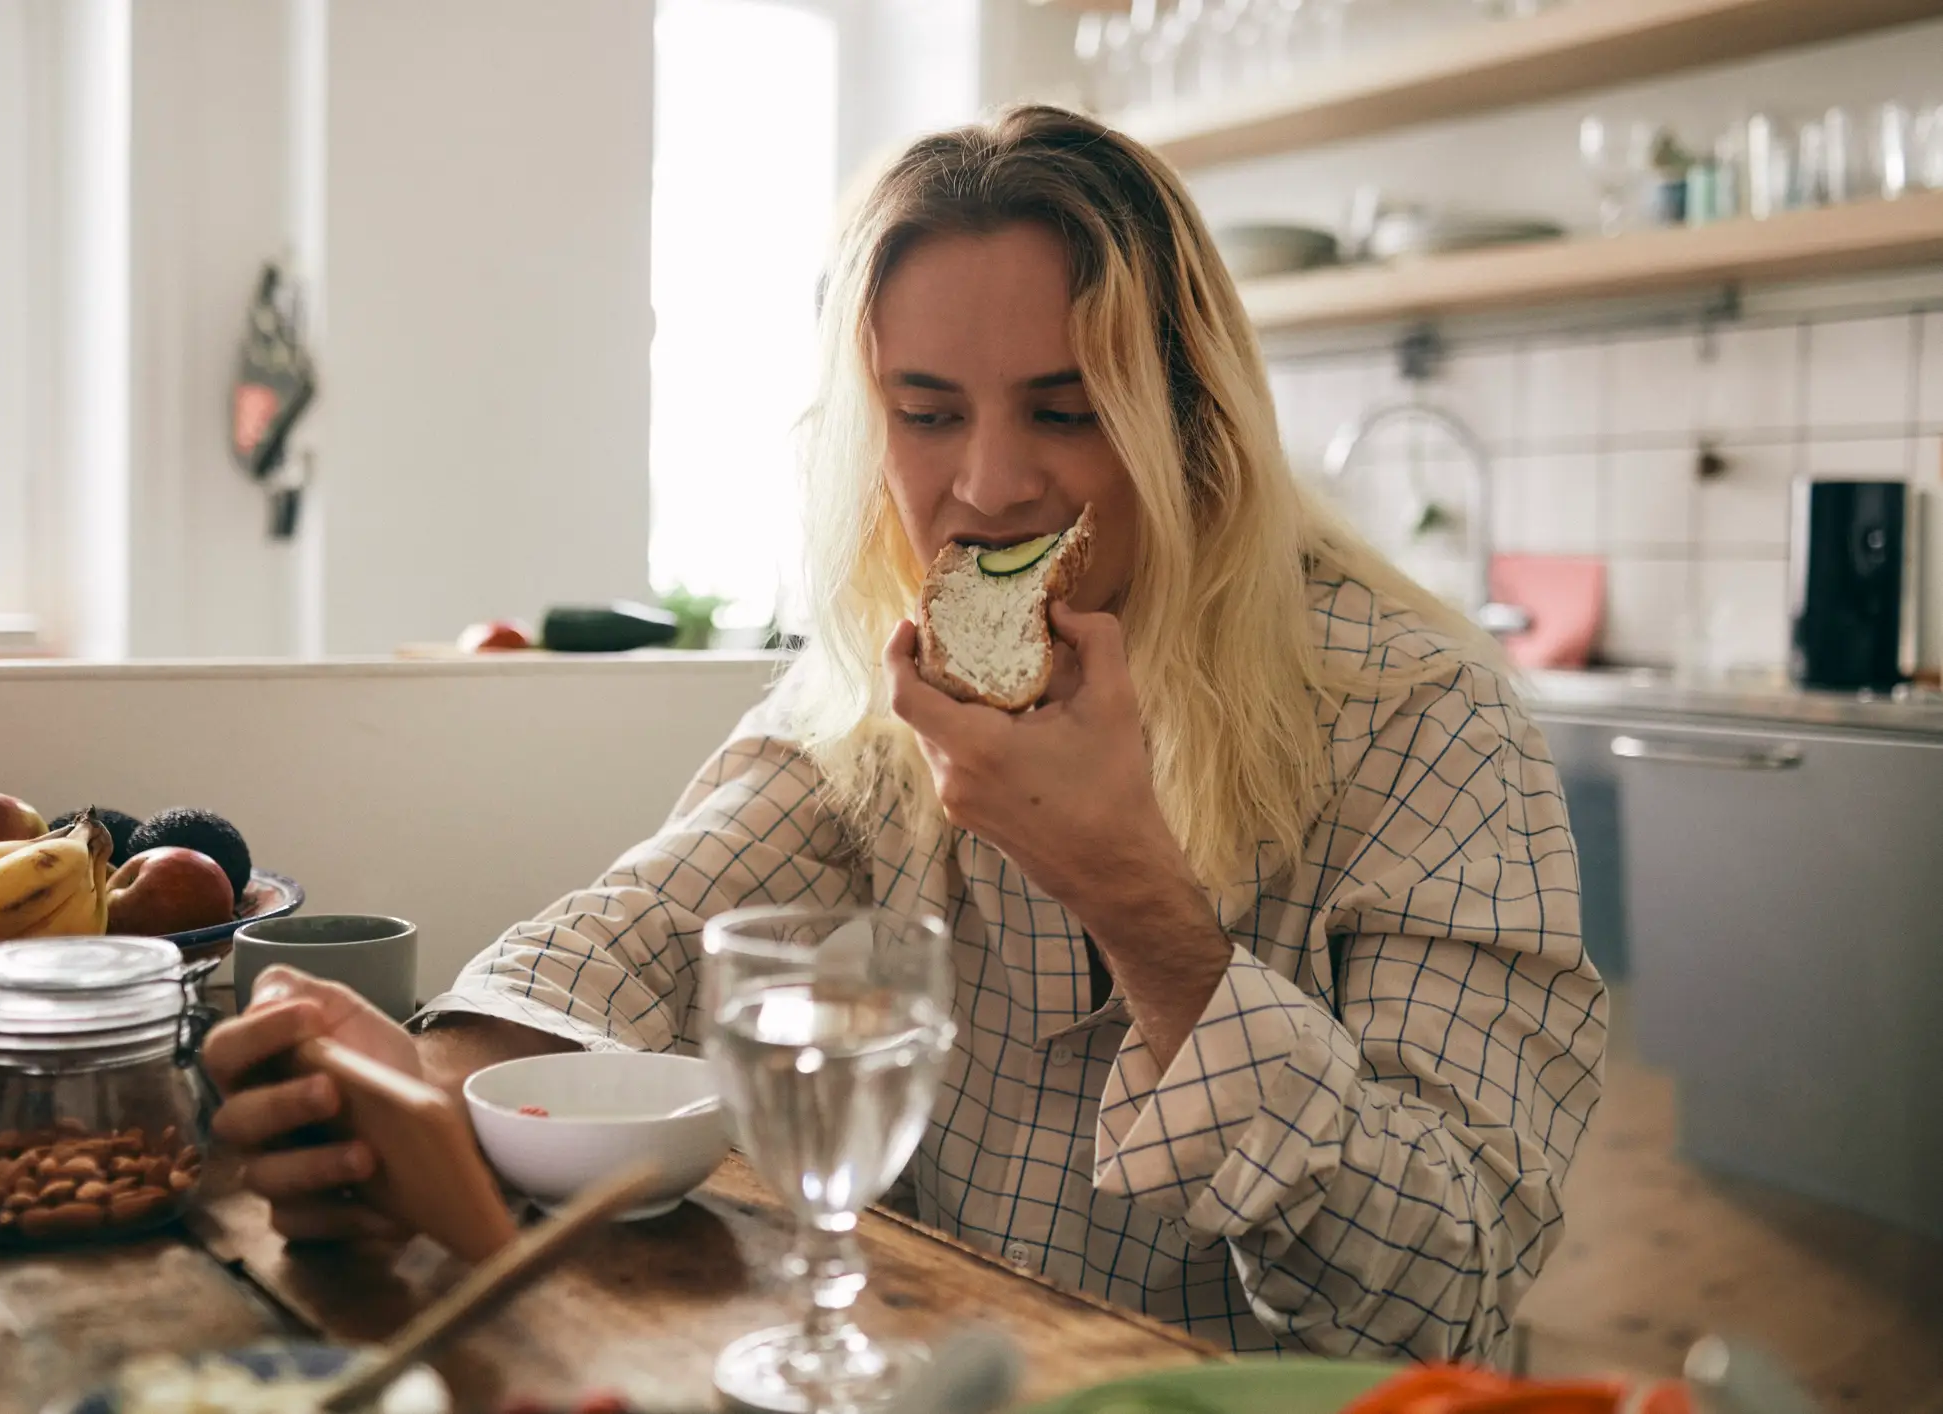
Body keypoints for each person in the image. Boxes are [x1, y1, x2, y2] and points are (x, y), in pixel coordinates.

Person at [203, 104, 1606, 1362]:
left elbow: (1445, 1300)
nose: (987, 487)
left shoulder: (1421, 719)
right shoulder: (889, 692)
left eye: (1065, 410)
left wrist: (1140, 902)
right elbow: (642, 926)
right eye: (927, 416)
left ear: (1196, 430)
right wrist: (416, 1096)